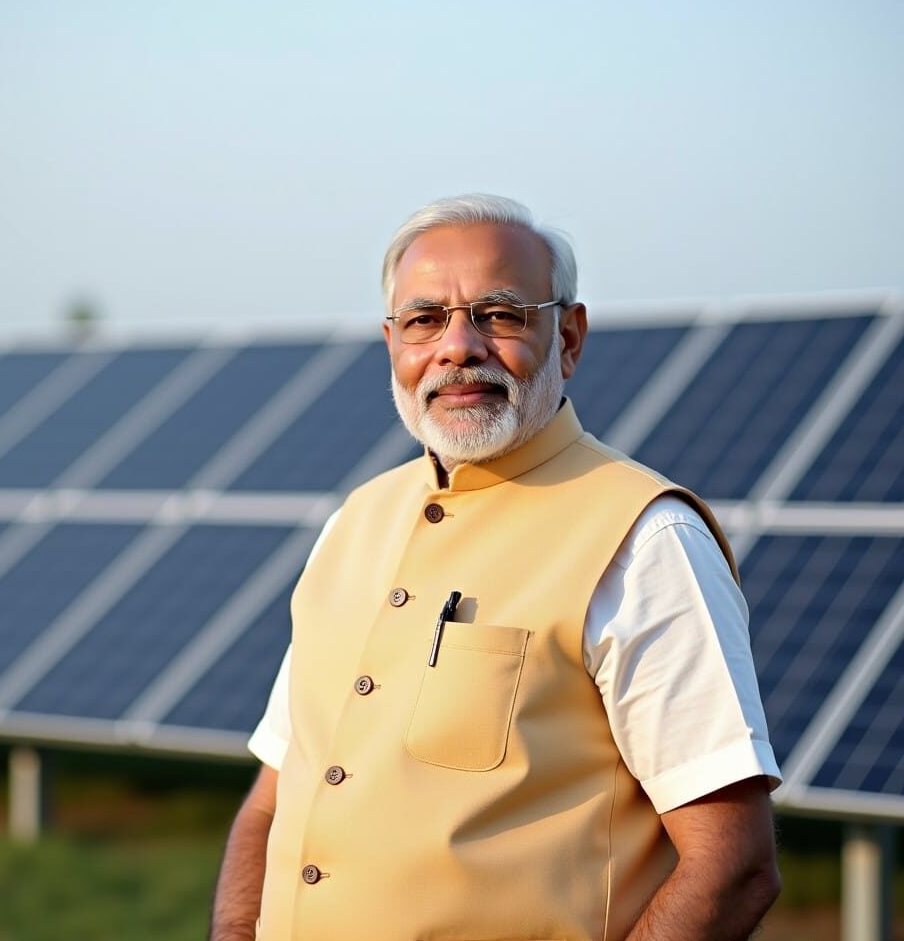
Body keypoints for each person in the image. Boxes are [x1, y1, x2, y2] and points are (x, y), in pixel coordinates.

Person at [209, 194, 782, 941]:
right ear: (392, 344)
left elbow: (733, 866)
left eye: (500, 314)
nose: (458, 347)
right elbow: (271, 800)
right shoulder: (354, 523)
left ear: (568, 337)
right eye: (424, 320)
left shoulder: (646, 540)